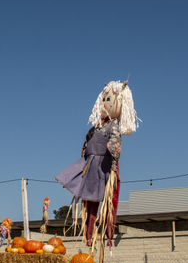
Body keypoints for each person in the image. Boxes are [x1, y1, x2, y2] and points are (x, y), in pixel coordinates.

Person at [55, 81, 138, 247]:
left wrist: (113, 159)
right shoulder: (95, 127)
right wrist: (85, 158)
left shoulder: (113, 126)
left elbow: (115, 145)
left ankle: (108, 234)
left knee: (109, 201)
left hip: (106, 167)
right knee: (89, 201)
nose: (105, 103)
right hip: (91, 166)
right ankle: (88, 235)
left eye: (109, 99)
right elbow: (86, 144)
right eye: (104, 99)